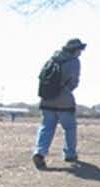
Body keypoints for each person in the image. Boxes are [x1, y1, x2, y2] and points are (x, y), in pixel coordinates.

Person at [33, 38, 85, 169]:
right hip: (64, 100)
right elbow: (74, 82)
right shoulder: (74, 62)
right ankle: (70, 154)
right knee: (69, 128)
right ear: (75, 50)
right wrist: (66, 91)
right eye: (80, 49)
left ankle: (39, 152)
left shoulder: (52, 59)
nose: (81, 52)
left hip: (46, 99)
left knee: (46, 127)